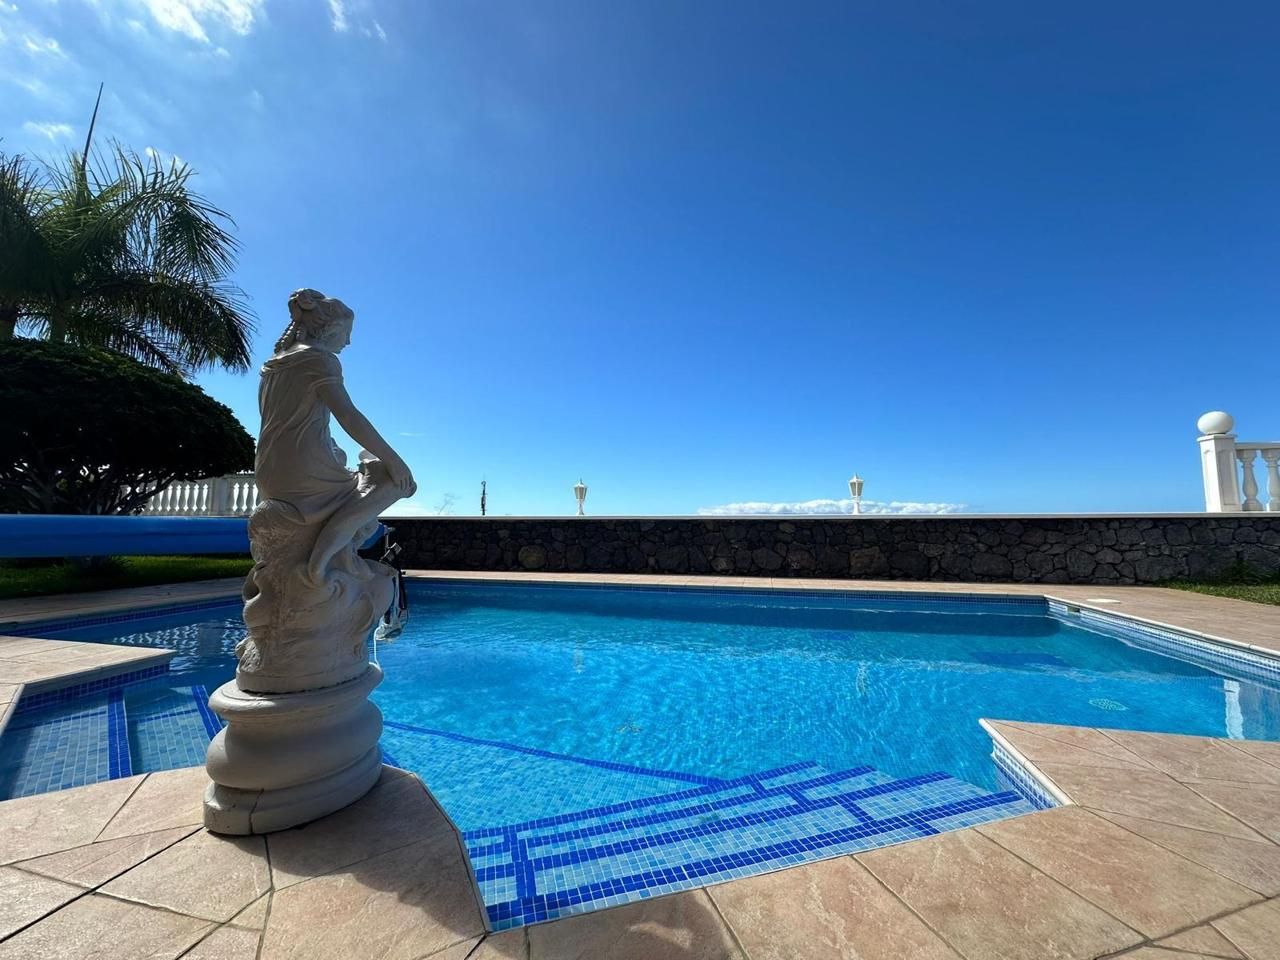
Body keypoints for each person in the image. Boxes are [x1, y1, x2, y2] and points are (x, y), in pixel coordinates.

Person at [256, 288, 416, 586]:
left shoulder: (272, 366)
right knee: (396, 483)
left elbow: (281, 425)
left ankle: (336, 555)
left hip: (269, 473)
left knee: (361, 478)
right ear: (328, 328)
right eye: (347, 332)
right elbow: (349, 416)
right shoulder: (319, 359)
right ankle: (320, 563)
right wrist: (396, 461)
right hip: (302, 474)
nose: (349, 341)